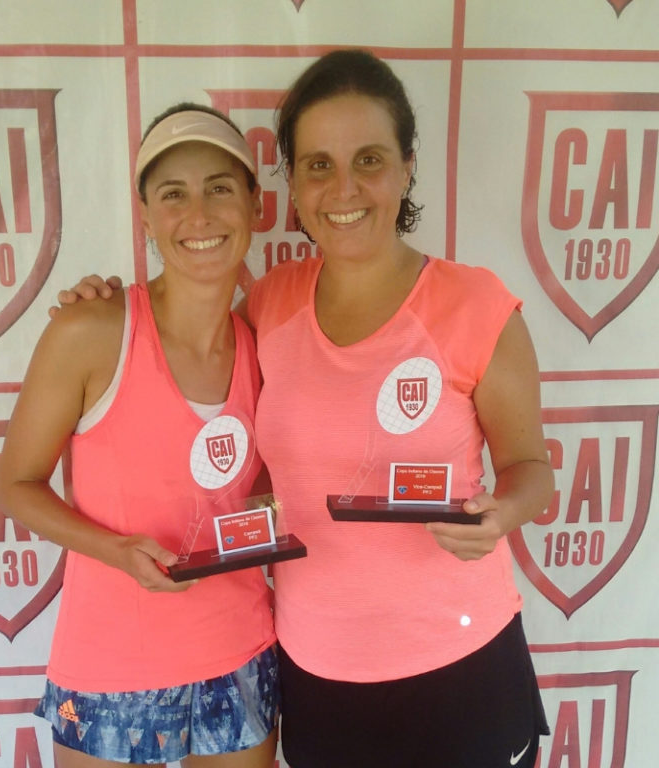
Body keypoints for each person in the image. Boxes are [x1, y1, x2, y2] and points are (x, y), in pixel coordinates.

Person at [58, 50, 555, 768]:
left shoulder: (476, 305)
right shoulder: (270, 303)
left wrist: (501, 514)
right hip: (317, 675)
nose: (343, 188)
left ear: (408, 167)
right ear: (292, 184)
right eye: (319, 165)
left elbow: (532, 469)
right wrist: (102, 309)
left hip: (461, 664)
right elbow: (175, 363)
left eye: (369, 160)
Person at [0, 104, 279, 768]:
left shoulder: (262, 343)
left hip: (240, 651)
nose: (198, 215)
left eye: (219, 188)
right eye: (173, 194)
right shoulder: (92, 330)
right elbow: (15, 485)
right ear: (145, 216)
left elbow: (260, 493)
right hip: (109, 666)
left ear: (256, 205)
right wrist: (117, 551)